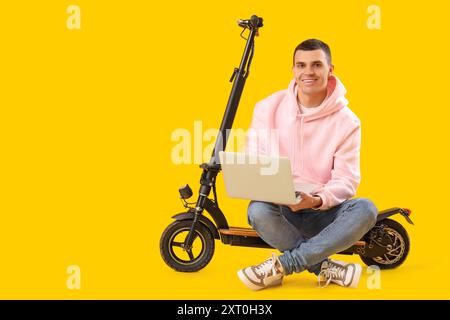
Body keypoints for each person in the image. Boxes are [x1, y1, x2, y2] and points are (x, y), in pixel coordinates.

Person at [237, 39, 378, 290]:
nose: (308, 72)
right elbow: (254, 158)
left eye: (316, 65)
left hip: (323, 213)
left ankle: (283, 265)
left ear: (330, 69)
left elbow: (346, 180)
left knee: (366, 209)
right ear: (293, 70)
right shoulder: (267, 107)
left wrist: (314, 199)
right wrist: (275, 192)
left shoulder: (348, 121)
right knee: (257, 210)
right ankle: (323, 267)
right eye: (301, 65)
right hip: (281, 211)